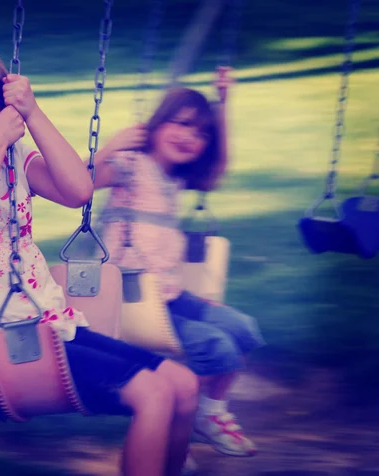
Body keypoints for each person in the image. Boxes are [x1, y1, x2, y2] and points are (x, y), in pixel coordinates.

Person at [0, 48, 202, 476]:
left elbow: (78, 190)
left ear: (1, 110)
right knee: (154, 394)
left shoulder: (15, 159)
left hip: (51, 326)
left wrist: (32, 114)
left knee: (184, 385)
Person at [91, 67, 266, 459]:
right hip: (131, 300)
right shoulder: (130, 165)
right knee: (215, 347)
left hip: (169, 295)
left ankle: (208, 411)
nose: (190, 137)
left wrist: (223, 103)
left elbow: (217, 169)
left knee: (244, 330)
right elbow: (80, 185)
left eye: (200, 133)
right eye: (182, 124)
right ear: (156, 124)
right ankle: (175, 426)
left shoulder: (177, 178)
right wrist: (112, 146)